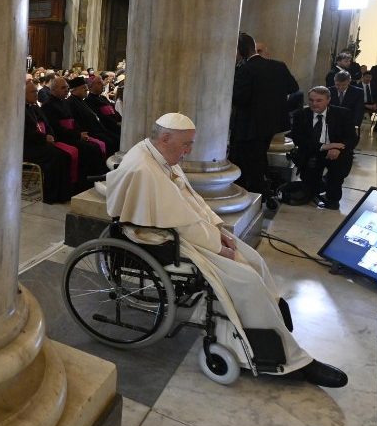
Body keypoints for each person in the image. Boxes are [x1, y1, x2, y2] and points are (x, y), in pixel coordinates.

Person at [106, 112, 348, 388]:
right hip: (156, 236)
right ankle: (283, 359)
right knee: (244, 279)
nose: (190, 150)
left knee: (254, 260)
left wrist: (218, 229)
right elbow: (181, 221)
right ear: (165, 138)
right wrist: (216, 244)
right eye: (186, 144)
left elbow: (190, 201)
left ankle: (272, 321)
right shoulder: (145, 169)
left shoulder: (160, 155)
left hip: (177, 229)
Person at [230, 33, 298, 198]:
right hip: (272, 124)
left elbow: (240, 98)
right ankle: (261, 190)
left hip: (249, 126)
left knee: (248, 160)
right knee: (259, 156)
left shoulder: (245, 69)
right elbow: (293, 87)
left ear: (241, 51)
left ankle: (256, 193)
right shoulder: (279, 66)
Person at [290, 87, 356, 210]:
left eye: (319, 100)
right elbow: (298, 139)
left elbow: (351, 138)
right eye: (311, 100)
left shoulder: (343, 114)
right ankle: (314, 189)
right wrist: (325, 146)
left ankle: (332, 198)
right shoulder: (300, 115)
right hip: (313, 150)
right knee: (310, 185)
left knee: (336, 174)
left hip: (336, 151)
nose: (314, 104)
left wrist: (337, 149)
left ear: (328, 100)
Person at [40, 76, 108, 182]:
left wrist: (80, 132)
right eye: (63, 88)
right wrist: (78, 135)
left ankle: (95, 178)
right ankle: (82, 182)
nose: (67, 90)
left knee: (94, 147)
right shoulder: (47, 106)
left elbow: (74, 122)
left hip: (72, 135)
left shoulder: (65, 102)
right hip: (62, 137)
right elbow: (56, 128)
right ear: (53, 90)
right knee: (88, 149)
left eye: (67, 87)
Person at [22, 80, 74, 204]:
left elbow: (47, 124)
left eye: (36, 91)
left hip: (41, 144)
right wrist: (44, 138)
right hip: (29, 147)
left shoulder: (35, 107)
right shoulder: (20, 110)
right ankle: (51, 195)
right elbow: (25, 134)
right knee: (55, 157)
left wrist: (50, 134)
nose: (36, 94)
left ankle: (63, 193)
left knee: (64, 155)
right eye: (32, 92)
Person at [66, 77, 119, 155]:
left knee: (115, 139)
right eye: (83, 88)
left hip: (97, 130)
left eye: (86, 87)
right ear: (74, 90)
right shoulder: (71, 103)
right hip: (89, 132)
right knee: (110, 141)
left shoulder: (81, 101)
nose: (86, 90)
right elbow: (77, 122)